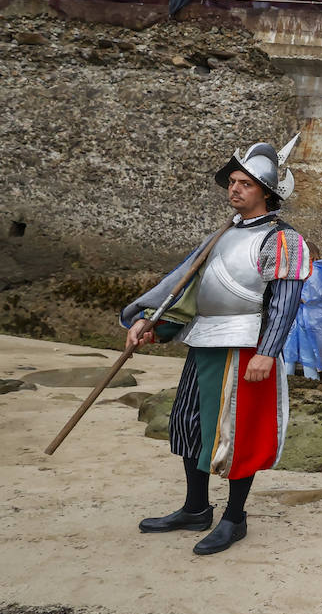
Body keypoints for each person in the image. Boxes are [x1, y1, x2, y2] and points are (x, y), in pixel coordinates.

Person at [123, 138, 311, 556]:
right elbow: (189, 290)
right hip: (204, 340)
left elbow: (284, 300)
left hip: (247, 347)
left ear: (266, 192)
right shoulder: (223, 233)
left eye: (245, 183)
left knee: (237, 435)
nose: (235, 188)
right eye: (232, 181)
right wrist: (154, 323)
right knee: (190, 424)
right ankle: (194, 509)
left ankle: (235, 518)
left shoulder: (284, 240)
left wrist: (268, 351)